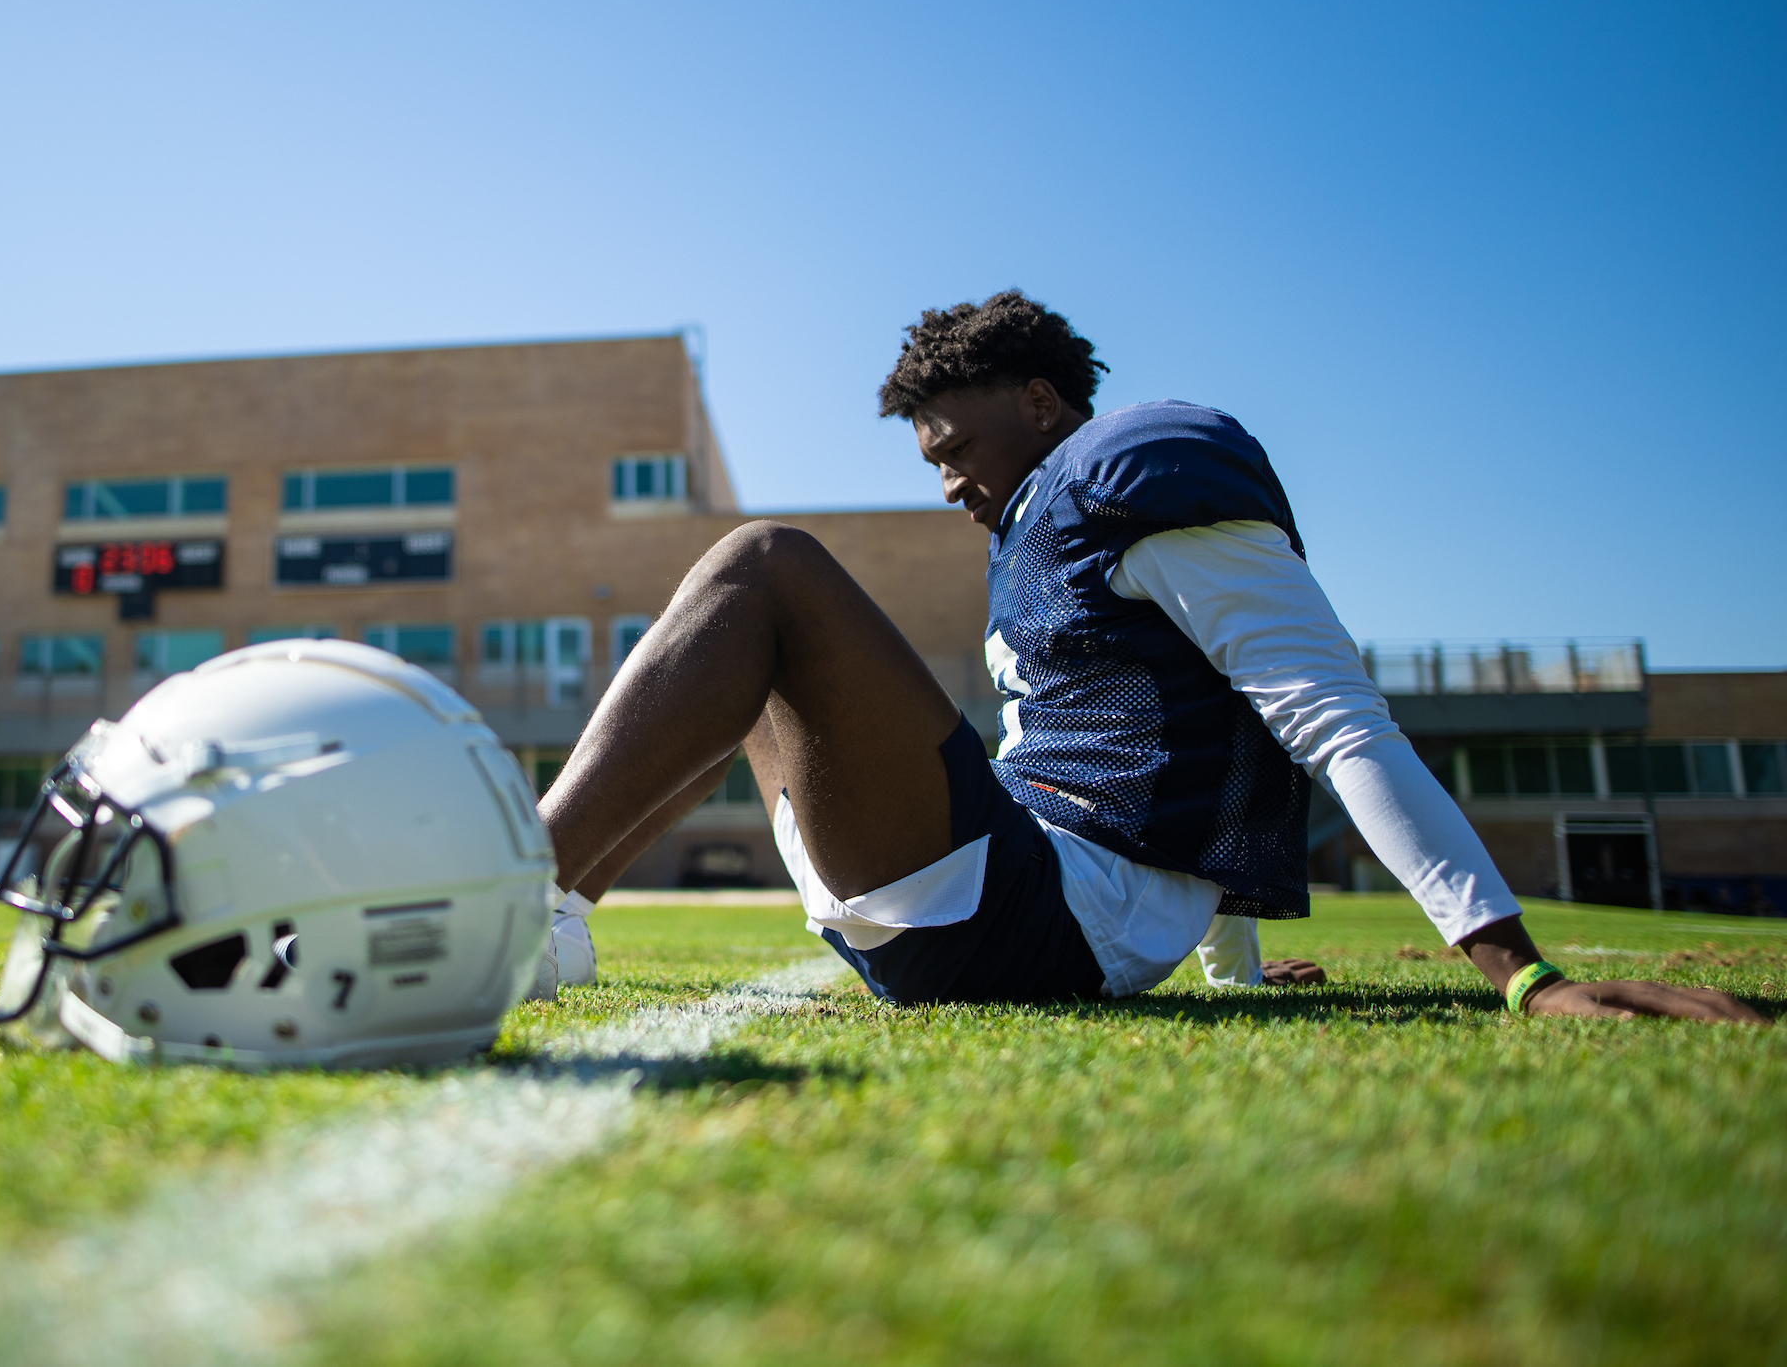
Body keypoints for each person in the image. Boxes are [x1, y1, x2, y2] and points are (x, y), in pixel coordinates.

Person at [534, 294, 1766, 1024]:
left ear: (1042, 398)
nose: (952, 480)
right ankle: (561, 913)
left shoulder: (1138, 467)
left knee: (765, 567)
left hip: (1033, 916)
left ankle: (498, 883)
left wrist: (1518, 969)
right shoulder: (1042, 528)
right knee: (750, 644)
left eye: (959, 445)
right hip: (1023, 904)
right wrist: (1222, 960)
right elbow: (1176, 750)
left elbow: (1323, 716)